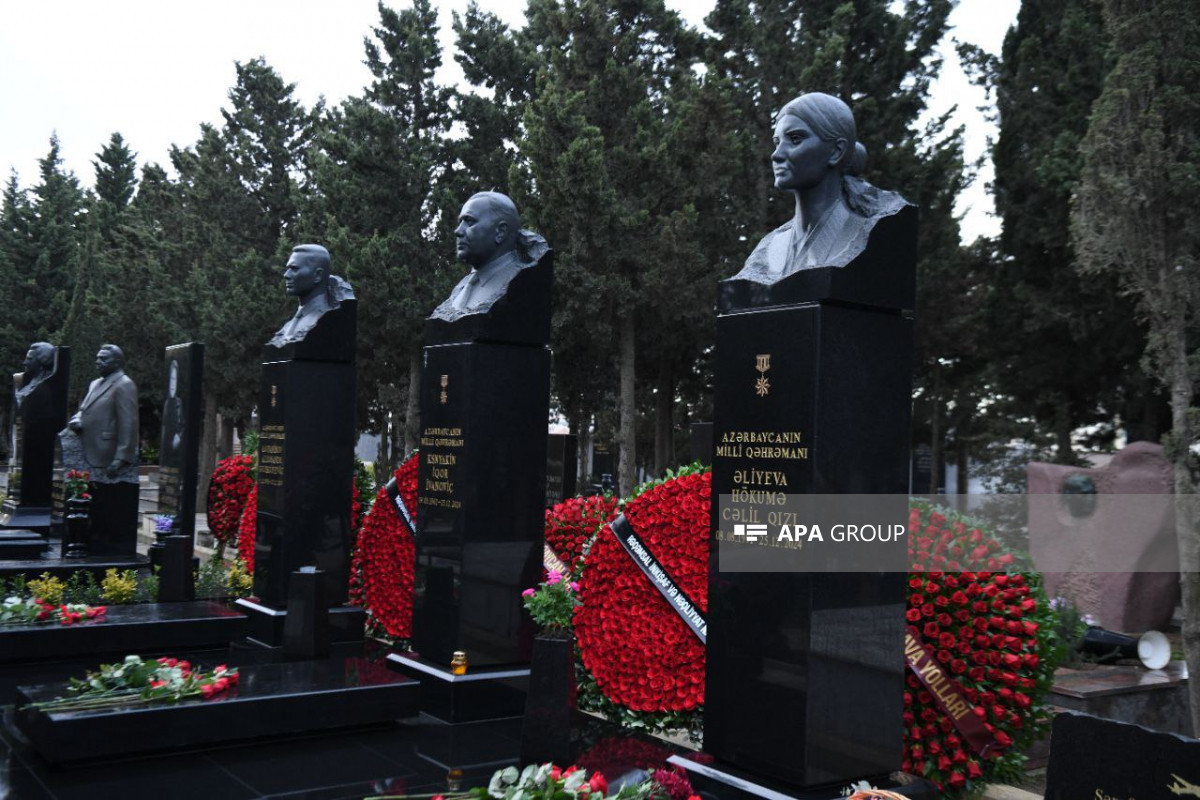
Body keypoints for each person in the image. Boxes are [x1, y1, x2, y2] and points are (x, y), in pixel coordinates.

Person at [732, 92, 909, 282]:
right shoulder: (769, 247)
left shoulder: (863, 233)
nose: (777, 154)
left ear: (836, 151)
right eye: (777, 142)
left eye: (795, 138)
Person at [431, 192, 548, 321]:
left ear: (500, 232)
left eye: (469, 221)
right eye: (460, 222)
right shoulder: (460, 288)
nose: (458, 231)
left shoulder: (521, 282)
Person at [68, 344, 138, 480]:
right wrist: (77, 419)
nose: (97, 362)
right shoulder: (95, 383)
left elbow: (129, 423)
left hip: (106, 453)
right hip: (86, 447)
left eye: (103, 359)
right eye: (97, 358)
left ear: (117, 363)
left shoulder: (124, 384)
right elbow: (83, 409)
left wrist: (120, 458)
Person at [268, 244, 354, 346]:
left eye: (294, 269)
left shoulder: (327, 321)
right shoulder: (289, 325)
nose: (286, 275)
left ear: (318, 275)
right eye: (288, 269)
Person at [15, 342, 56, 406]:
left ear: (42, 361)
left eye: (29, 359)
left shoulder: (44, 386)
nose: (25, 362)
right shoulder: (27, 381)